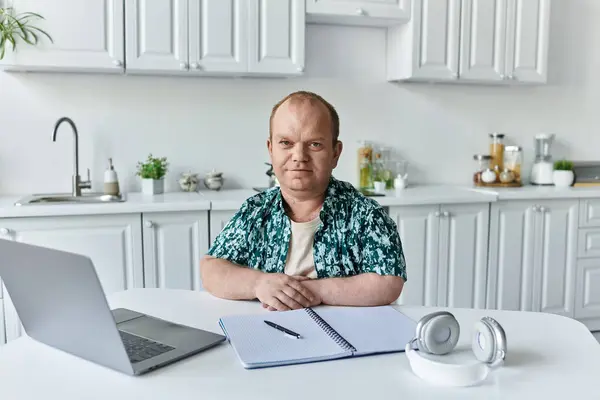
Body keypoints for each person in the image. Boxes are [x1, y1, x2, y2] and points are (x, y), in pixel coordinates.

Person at [200, 90, 406, 311]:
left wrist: (315, 291)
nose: (299, 156)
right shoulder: (255, 211)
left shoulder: (366, 215)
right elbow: (211, 269)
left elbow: (389, 281)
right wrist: (258, 283)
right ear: (271, 150)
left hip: (344, 336)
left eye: (315, 144)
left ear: (335, 153)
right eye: (286, 143)